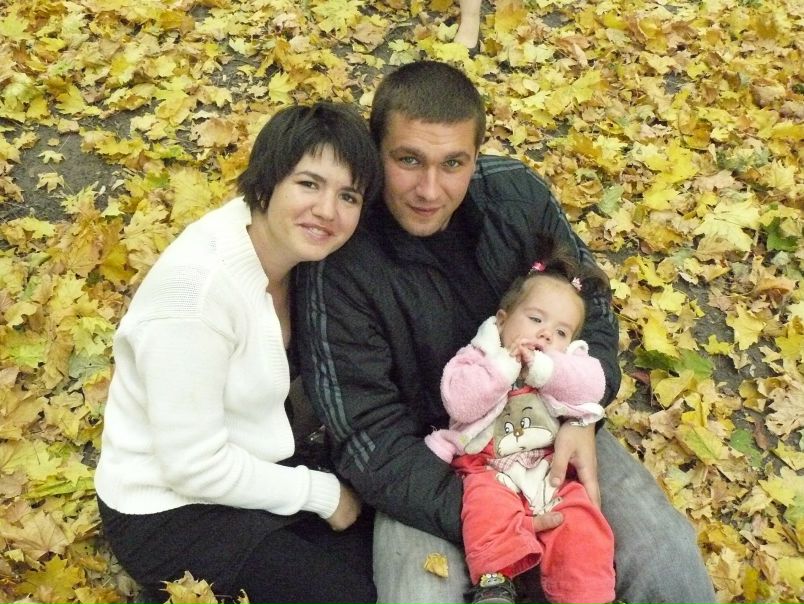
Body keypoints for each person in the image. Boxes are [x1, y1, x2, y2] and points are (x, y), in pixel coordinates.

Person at [296, 60, 717, 604]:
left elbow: (591, 305)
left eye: (453, 163)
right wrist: (494, 511)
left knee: (668, 561)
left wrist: (583, 417)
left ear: (476, 156)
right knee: (421, 596)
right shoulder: (342, 263)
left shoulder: (517, 197)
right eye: (408, 160)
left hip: (550, 423)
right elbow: (367, 435)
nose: (429, 189)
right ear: (377, 154)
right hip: (434, 461)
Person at [94, 102, 382, 604]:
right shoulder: (196, 295)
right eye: (308, 184)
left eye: (348, 195)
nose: (327, 210)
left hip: (257, 471)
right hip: (167, 508)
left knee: (376, 553)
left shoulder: (293, 257)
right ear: (266, 182)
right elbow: (192, 465)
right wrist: (319, 493)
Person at [425, 245, 615, 604]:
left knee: (581, 520)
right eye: (536, 319)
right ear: (501, 320)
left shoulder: (564, 366)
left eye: (561, 332)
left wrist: (546, 370)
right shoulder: (478, 358)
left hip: (548, 466)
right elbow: (460, 402)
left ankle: (583, 592)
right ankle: (494, 583)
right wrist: (504, 368)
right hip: (488, 468)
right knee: (485, 512)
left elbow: (592, 384)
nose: (546, 335)